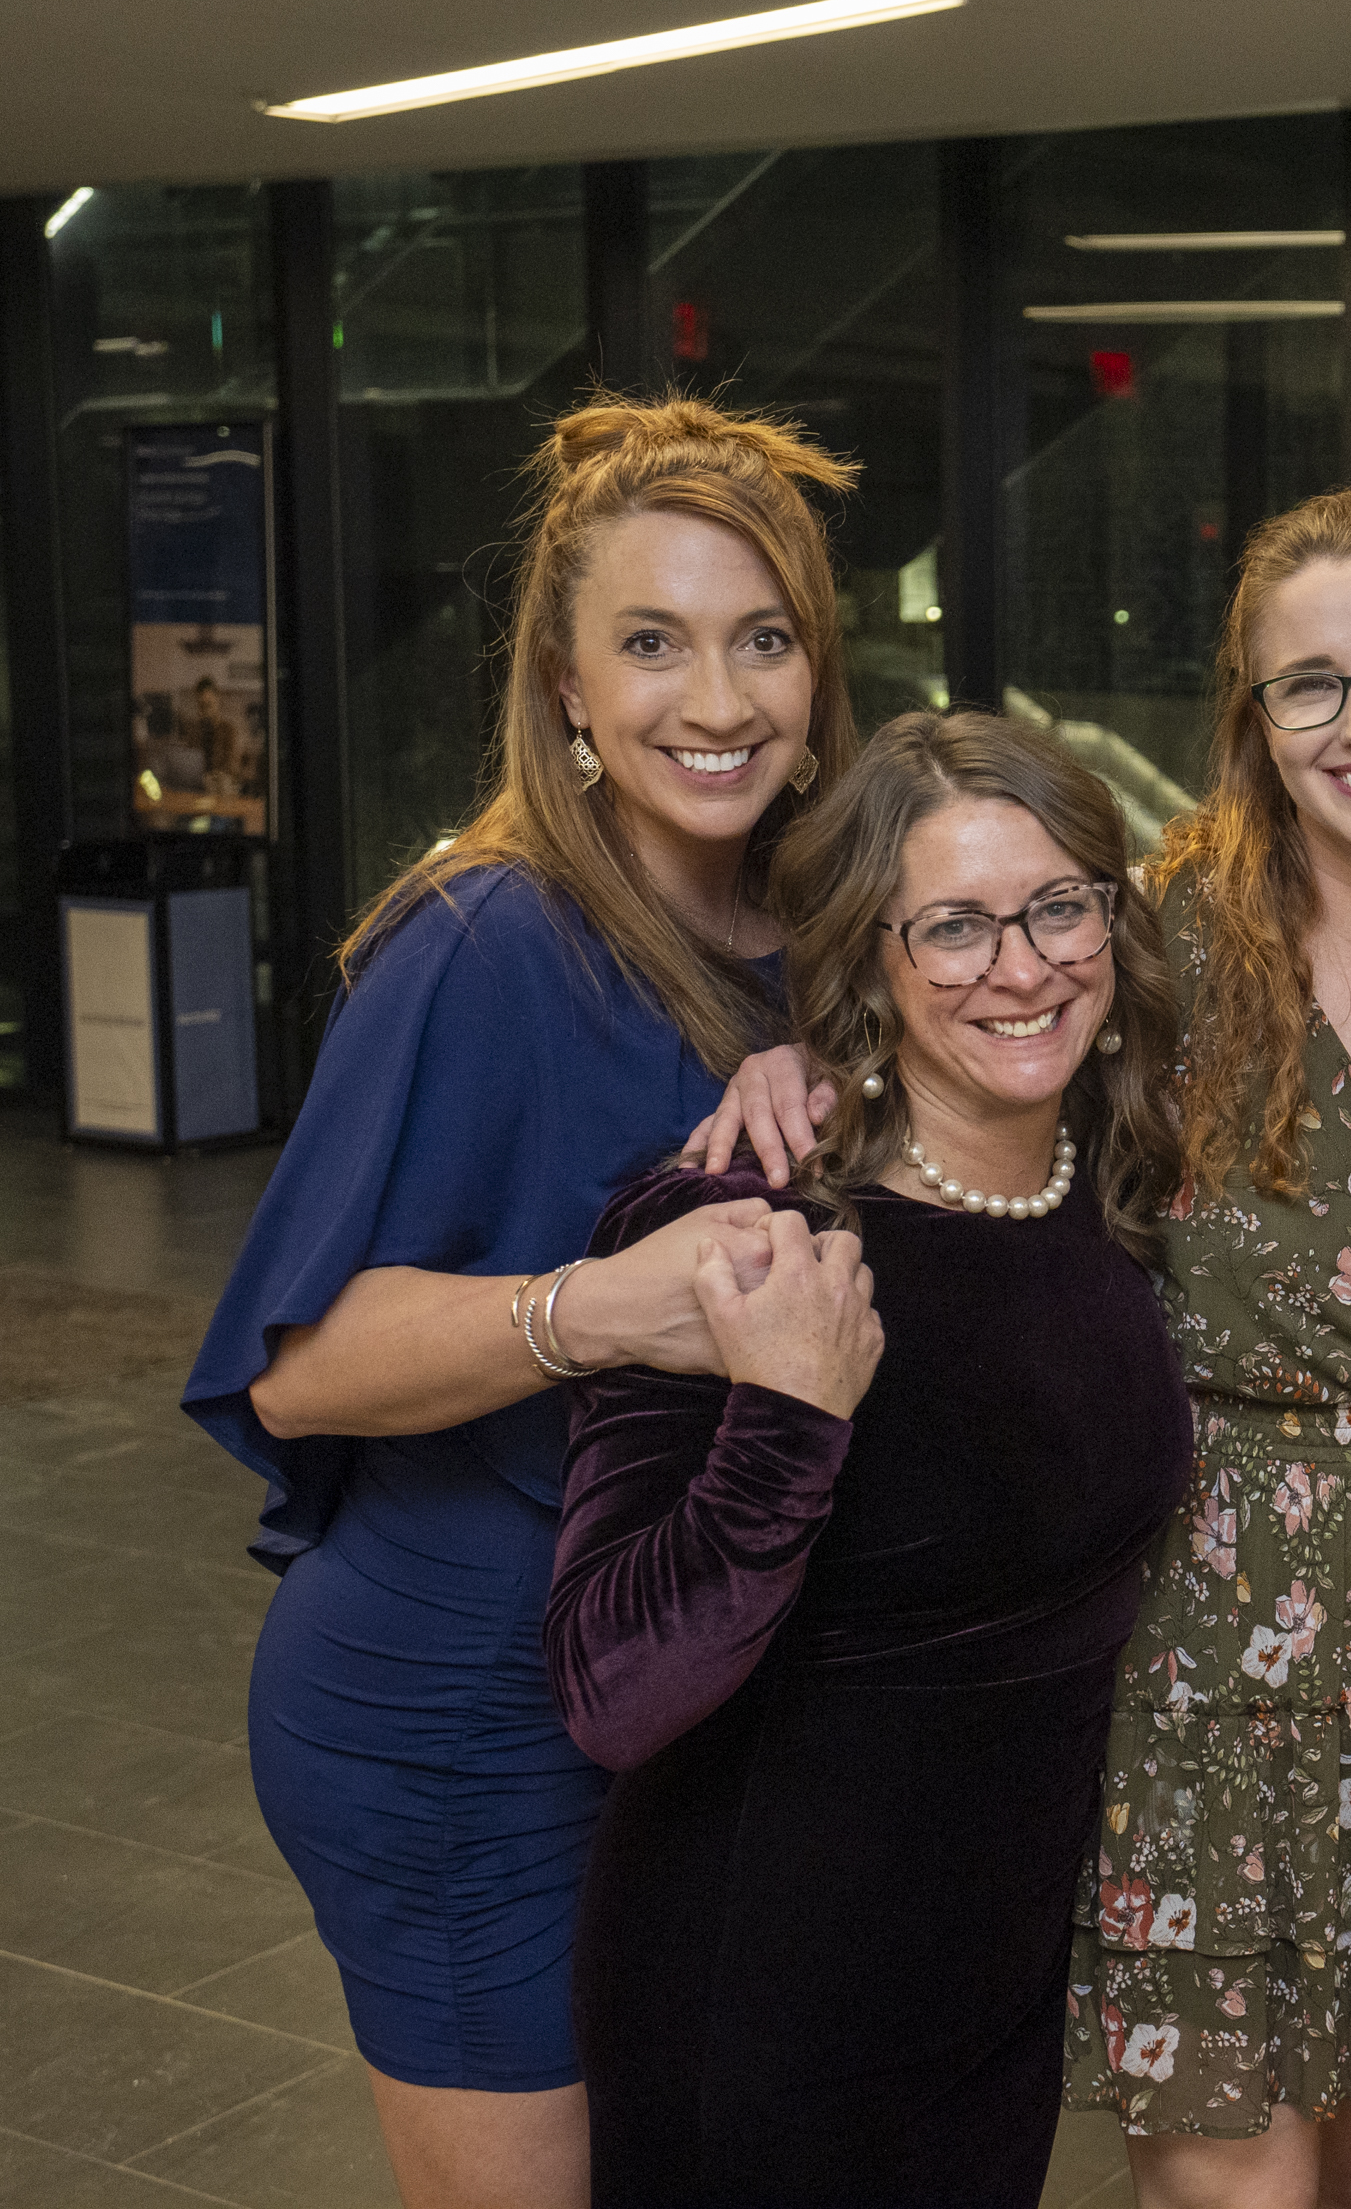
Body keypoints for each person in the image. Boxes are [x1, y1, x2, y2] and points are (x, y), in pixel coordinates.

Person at [691, 483, 1351, 2209]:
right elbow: (969, 1003)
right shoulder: (1157, 938)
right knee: (1236, 2191)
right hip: (1194, 1644)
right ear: (1257, 724)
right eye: (1309, 685)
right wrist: (806, 1055)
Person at [179, 396, 855, 2209]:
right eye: (652, 644)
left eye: (762, 640)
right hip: (457, 1717)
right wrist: (596, 1311)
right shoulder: (484, 940)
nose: (716, 699)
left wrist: (850, 1075)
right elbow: (297, 1372)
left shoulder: (816, 938)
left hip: (667, 1691)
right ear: (565, 688)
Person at [548, 712, 1196, 2206]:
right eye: (954, 927)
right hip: (767, 1996)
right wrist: (788, 1417)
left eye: (1059, 907)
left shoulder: (1109, 1176)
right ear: (868, 960)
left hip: (989, 1992)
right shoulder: (750, 1224)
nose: (1024, 968)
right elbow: (609, 1686)